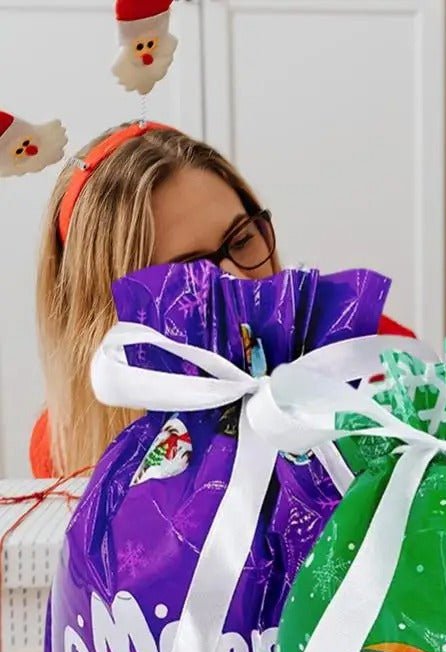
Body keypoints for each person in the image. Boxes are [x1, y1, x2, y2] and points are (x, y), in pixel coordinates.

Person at [31, 123, 412, 476]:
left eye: (243, 240)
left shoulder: (366, 354)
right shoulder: (65, 442)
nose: (240, 281)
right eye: (191, 273)